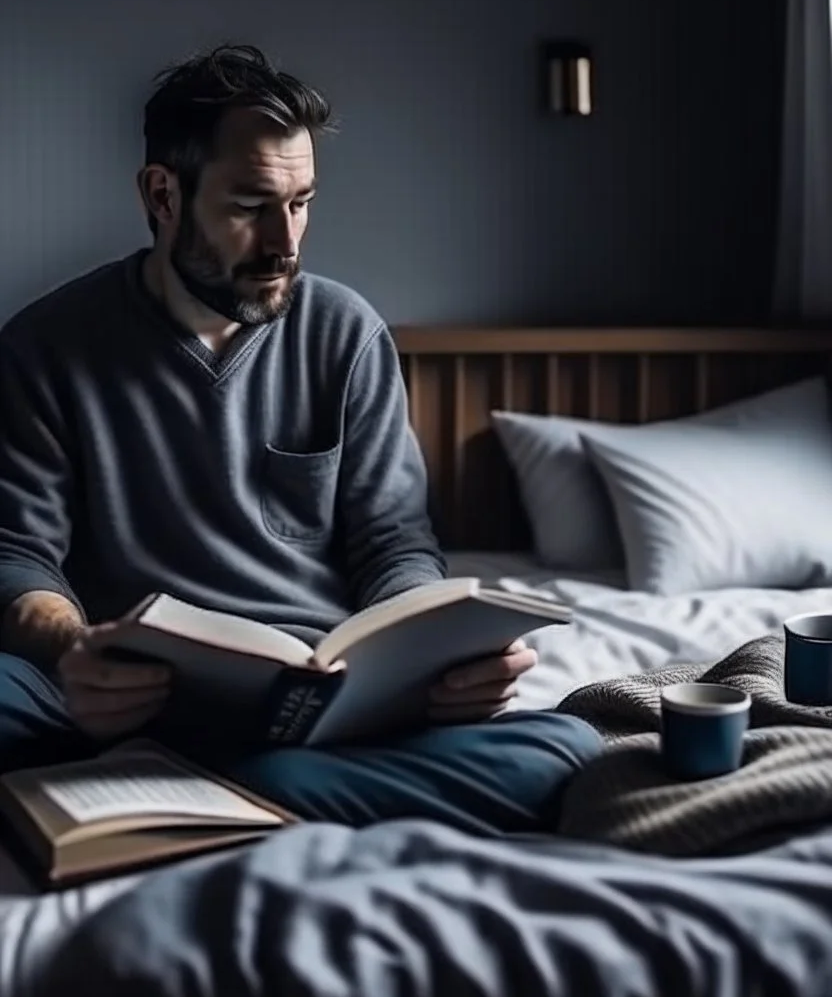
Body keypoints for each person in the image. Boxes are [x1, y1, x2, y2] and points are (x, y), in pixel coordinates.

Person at [0, 44, 600, 836]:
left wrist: (438, 658)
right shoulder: (47, 346)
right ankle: (268, 790)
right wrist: (75, 652)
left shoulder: (345, 333)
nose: (286, 243)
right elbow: (18, 559)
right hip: (115, 698)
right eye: (250, 207)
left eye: (302, 202)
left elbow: (394, 543)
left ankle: (210, 789)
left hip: (311, 703)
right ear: (162, 194)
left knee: (573, 749)